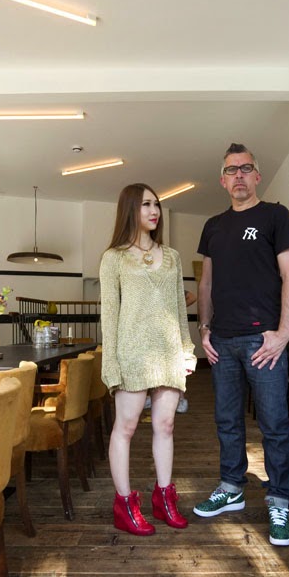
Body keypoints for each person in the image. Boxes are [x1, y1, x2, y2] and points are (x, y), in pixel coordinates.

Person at [193, 142, 289, 546]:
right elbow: (206, 283)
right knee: (227, 421)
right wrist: (204, 329)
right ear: (222, 180)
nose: (238, 175)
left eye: (245, 168)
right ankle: (232, 487)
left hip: (263, 341)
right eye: (231, 170)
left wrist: (284, 333)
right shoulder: (213, 226)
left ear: (257, 175)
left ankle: (280, 499)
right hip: (221, 341)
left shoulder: (275, 215)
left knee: (274, 425)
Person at [100, 183, 197, 536]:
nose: (154, 211)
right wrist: (110, 365)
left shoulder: (172, 256)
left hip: (168, 353)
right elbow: (109, 316)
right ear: (130, 209)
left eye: (156, 204)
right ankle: (124, 505)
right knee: (125, 428)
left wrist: (187, 351)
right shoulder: (114, 258)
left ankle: (164, 499)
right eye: (145, 205)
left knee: (165, 426)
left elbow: (179, 309)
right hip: (131, 355)